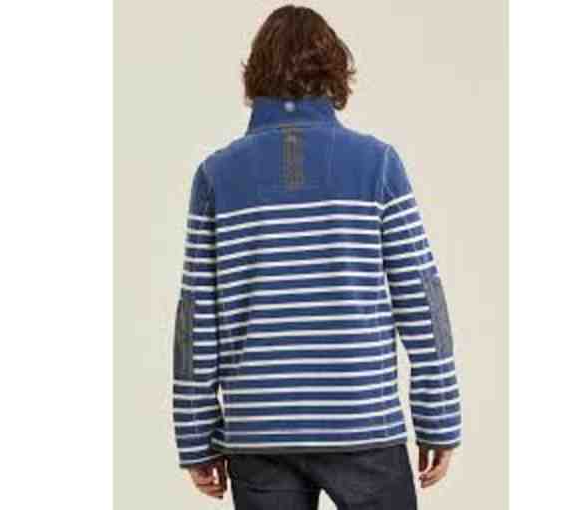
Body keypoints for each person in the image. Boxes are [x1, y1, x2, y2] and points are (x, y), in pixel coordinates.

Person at [171, 5, 461, 509]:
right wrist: (439, 416)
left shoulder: (216, 176)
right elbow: (423, 298)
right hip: (363, 422)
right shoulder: (377, 164)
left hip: (259, 429)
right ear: (335, 71)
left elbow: (195, 319)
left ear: (255, 74)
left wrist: (195, 434)